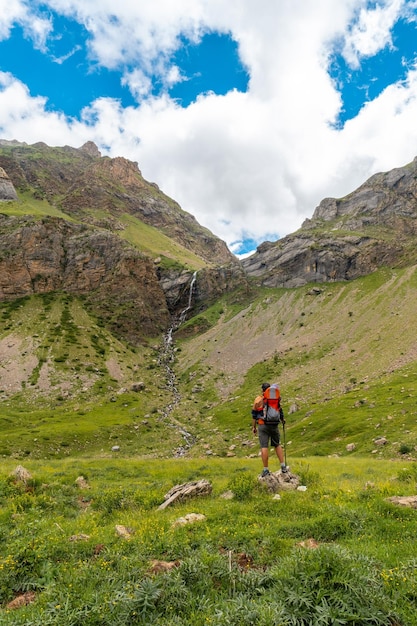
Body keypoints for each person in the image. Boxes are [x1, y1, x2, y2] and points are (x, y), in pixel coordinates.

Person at [252, 382, 288, 477]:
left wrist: (254, 427)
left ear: (262, 390)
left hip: (262, 425)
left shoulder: (258, 399)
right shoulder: (275, 398)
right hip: (274, 424)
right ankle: (283, 466)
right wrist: (282, 420)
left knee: (264, 446)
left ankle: (266, 470)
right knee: (277, 444)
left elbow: (254, 415)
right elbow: (279, 409)